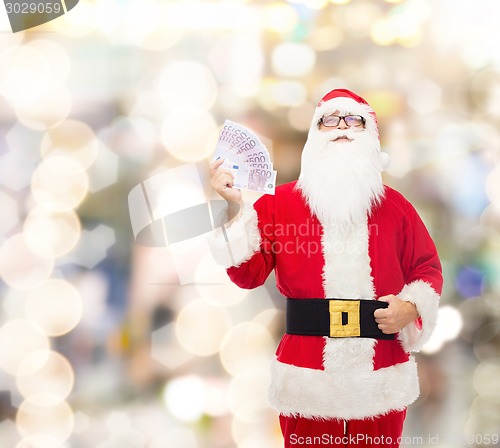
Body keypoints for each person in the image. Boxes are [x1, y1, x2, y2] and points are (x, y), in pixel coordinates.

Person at [207, 89, 442, 448]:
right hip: (307, 376)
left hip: (380, 374)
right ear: (315, 136)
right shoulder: (277, 205)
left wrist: (410, 308)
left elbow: (427, 269)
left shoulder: (397, 208)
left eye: (353, 120)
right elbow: (246, 275)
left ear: (371, 136)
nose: (342, 128)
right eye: (330, 120)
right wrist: (234, 210)